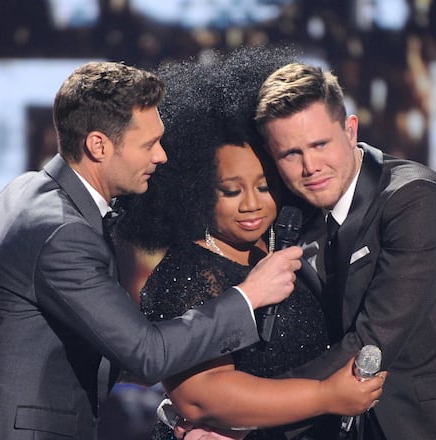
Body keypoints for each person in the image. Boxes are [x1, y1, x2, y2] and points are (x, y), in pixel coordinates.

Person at [0, 61, 305, 440]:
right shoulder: (63, 233)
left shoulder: (30, 192)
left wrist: (180, 401)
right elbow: (145, 353)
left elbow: (99, 344)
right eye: (148, 144)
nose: (161, 156)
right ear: (99, 145)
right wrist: (249, 295)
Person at [251, 62, 436, 439]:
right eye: (290, 154)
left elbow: (370, 346)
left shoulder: (415, 199)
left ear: (350, 130)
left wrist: (247, 414)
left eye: (320, 144)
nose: (310, 166)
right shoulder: (301, 224)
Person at [115, 47, 384, 439]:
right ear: (196, 191)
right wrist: (326, 397)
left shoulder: (288, 247)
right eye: (230, 191)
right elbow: (202, 398)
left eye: (265, 186)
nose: (253, 204)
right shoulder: (186, 274)